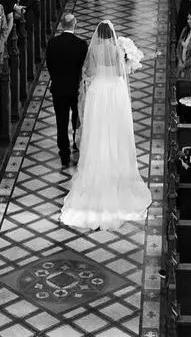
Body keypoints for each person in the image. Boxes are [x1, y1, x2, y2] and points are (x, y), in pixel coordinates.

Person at [59, 20, 151, 229]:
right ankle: (117, 169)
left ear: (97, 35)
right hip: (115, 92)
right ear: (112, 34)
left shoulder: (93, 49)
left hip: (99, 91)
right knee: (116, 131)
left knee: (97, 132)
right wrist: (126, 62)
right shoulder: (117, 49)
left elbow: (90, 72)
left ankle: (96, 168)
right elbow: (120, 73)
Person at [46, 13, 89, 169]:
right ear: (74, 24)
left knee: (61, 122)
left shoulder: (52, 43)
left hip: (58, 89)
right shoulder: (81, 44)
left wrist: (57, 78)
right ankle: (77, 149)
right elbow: (84, 68)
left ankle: (64, 155)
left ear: (62, 25)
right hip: (76, 90)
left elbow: (49, 65)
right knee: (77, 121)